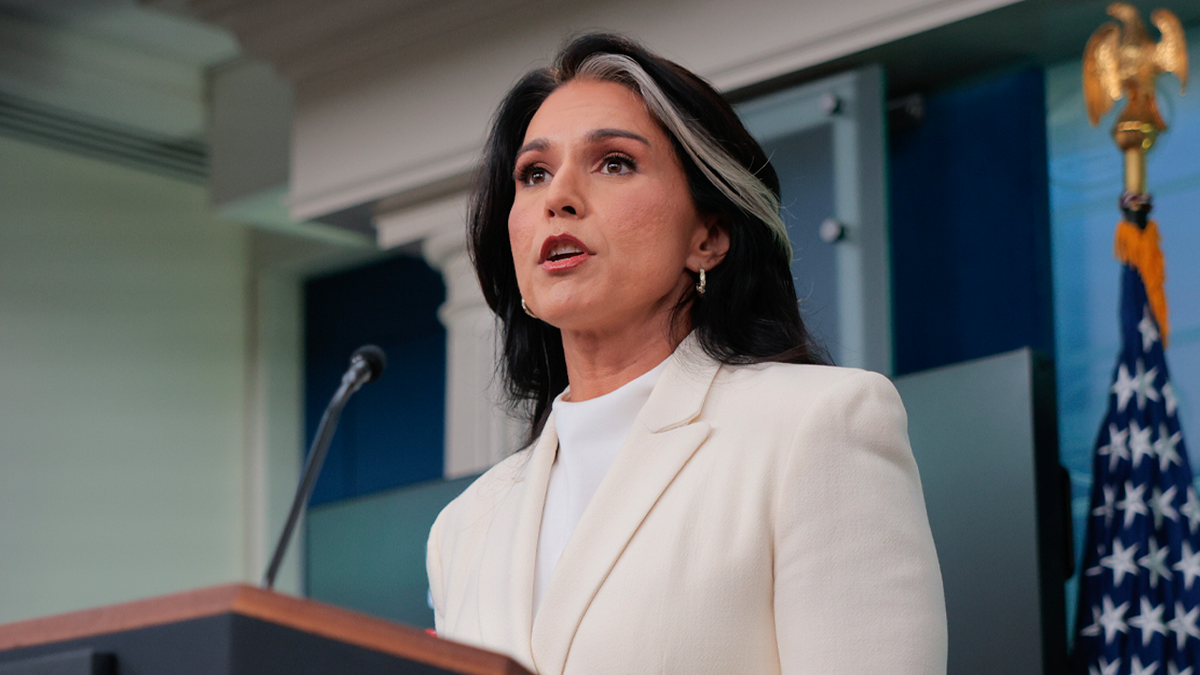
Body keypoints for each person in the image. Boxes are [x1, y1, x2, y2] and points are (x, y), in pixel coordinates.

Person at [426, 33, 947, 675]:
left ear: (709, 236)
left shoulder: (817, 425)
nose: (557, 196)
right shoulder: (465, 527)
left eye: (614, 163)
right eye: (534, 173)